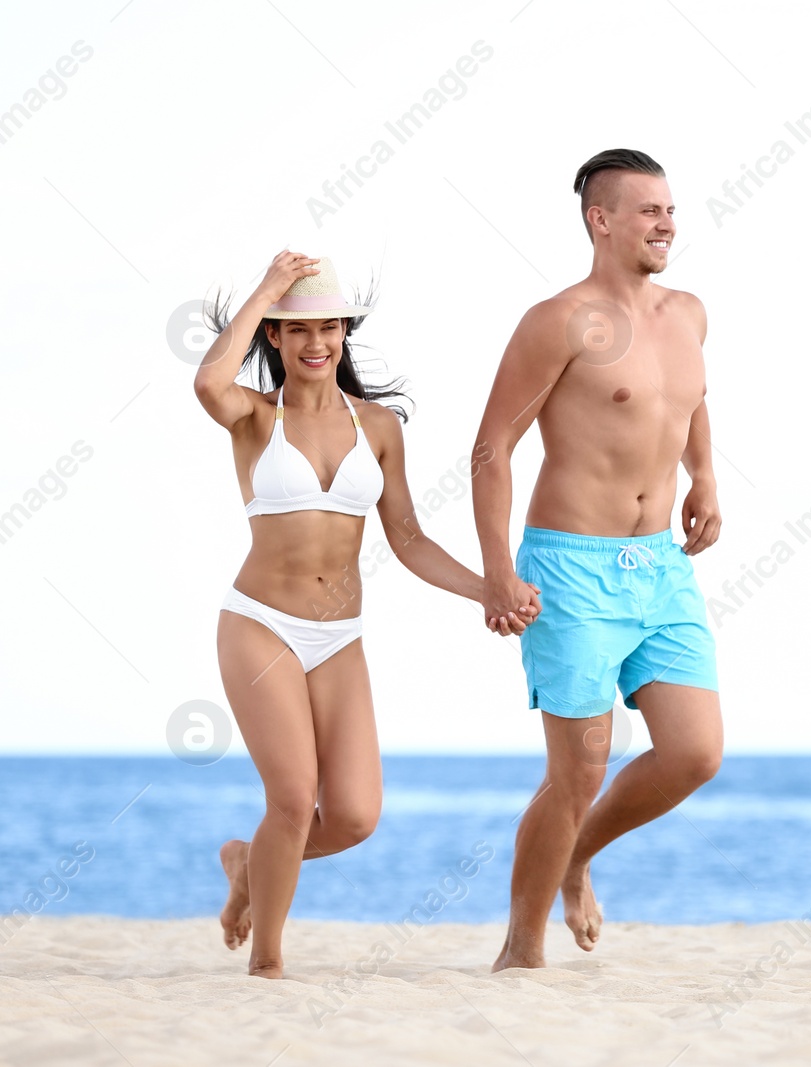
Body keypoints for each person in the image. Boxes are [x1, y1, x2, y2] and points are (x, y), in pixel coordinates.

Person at [194, 251, 538, 978]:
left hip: (339, 637)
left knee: (352, 815)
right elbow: (207, 380)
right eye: (297, 329)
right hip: (260, 623)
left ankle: (247, 862)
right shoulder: (254, 417)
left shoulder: (378, 426)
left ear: (345, 333)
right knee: (292, 797)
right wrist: (268, 289)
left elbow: (407, 538)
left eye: (329, 327)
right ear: (276, 338)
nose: (316, 342)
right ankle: (267, 962)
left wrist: (488, 588)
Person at [472, 149, 724, 970]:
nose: (667, 224)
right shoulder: (559, 320)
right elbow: (491, 449)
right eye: (649, 210)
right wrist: (497, 571)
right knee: (577, 769)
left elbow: (692, 400)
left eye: (671, 210)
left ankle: (578, 855)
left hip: (658, 565)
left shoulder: (687, 312)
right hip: (570, 568)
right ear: (601, 219)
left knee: (695, 752)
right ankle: (522, 948)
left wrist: (706, 477)